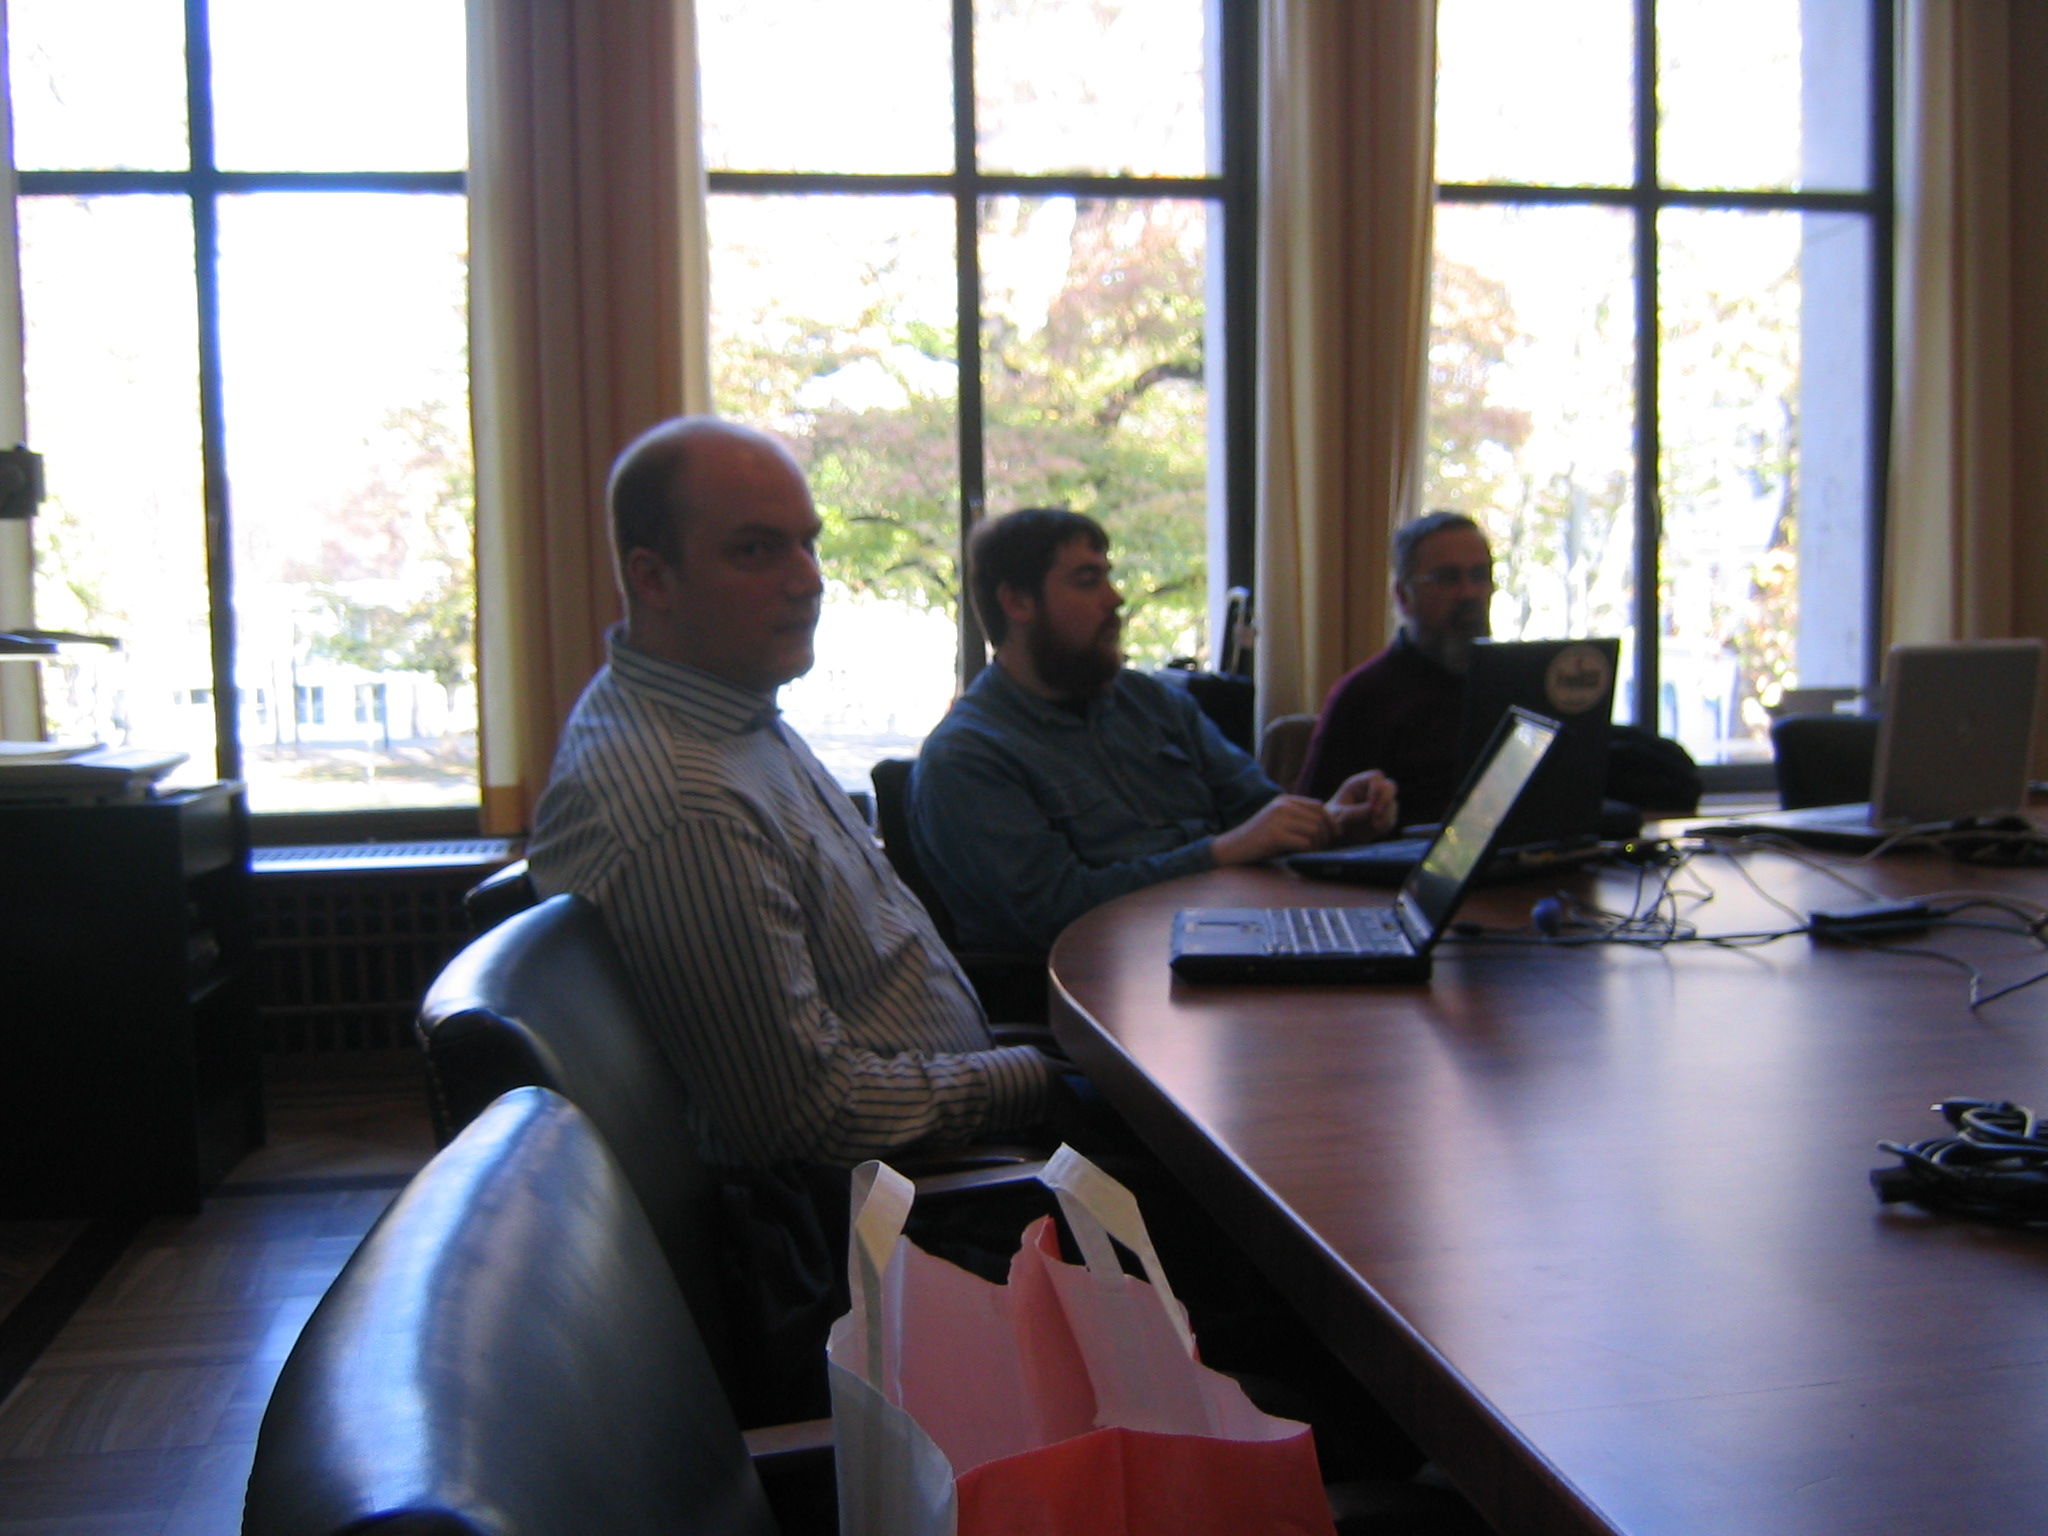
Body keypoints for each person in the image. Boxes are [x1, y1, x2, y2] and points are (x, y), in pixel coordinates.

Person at [525, 417, 1056, 1170]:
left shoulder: (727, 712)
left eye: (808, 543)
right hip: (907, 1200)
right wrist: (1036, 1079)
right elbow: (812, 1120)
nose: (809, 580)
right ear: (653, 579)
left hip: (956, 1129)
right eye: (756, 550)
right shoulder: (690, 805)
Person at [909, 508, 1399, 952]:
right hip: (1103, 986)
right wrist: (1221, 852)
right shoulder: (967, 755)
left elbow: (1257, 811)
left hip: (1235, 939)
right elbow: (1056, 910)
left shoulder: (1150, 700)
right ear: (1017, 602)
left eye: (1108, 577)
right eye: (1087, 580)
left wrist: (1327, 824)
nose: (1115, 598)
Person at [1294, 510, 1494, 822]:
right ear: (1404, 596)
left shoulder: (1511, 684)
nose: (1469, 593)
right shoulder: (1365, 697)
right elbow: (1317, 826)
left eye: (1480, 576)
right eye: (1448, 578)